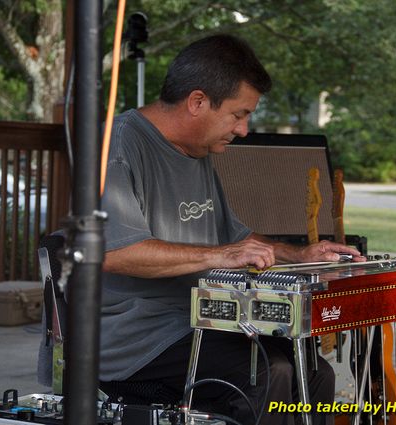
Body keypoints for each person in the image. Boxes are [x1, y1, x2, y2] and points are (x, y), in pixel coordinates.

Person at [98, 33, 364, 425]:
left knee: (315, 372)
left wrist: (300, 254)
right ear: (198, 102)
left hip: (199, 320)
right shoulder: (119, 147)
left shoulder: (198, 150)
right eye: (239, 114)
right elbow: (114, 252)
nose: (243, 129)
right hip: (134, 337)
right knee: (269, 373)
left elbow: (237, 239)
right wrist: (221, 255)